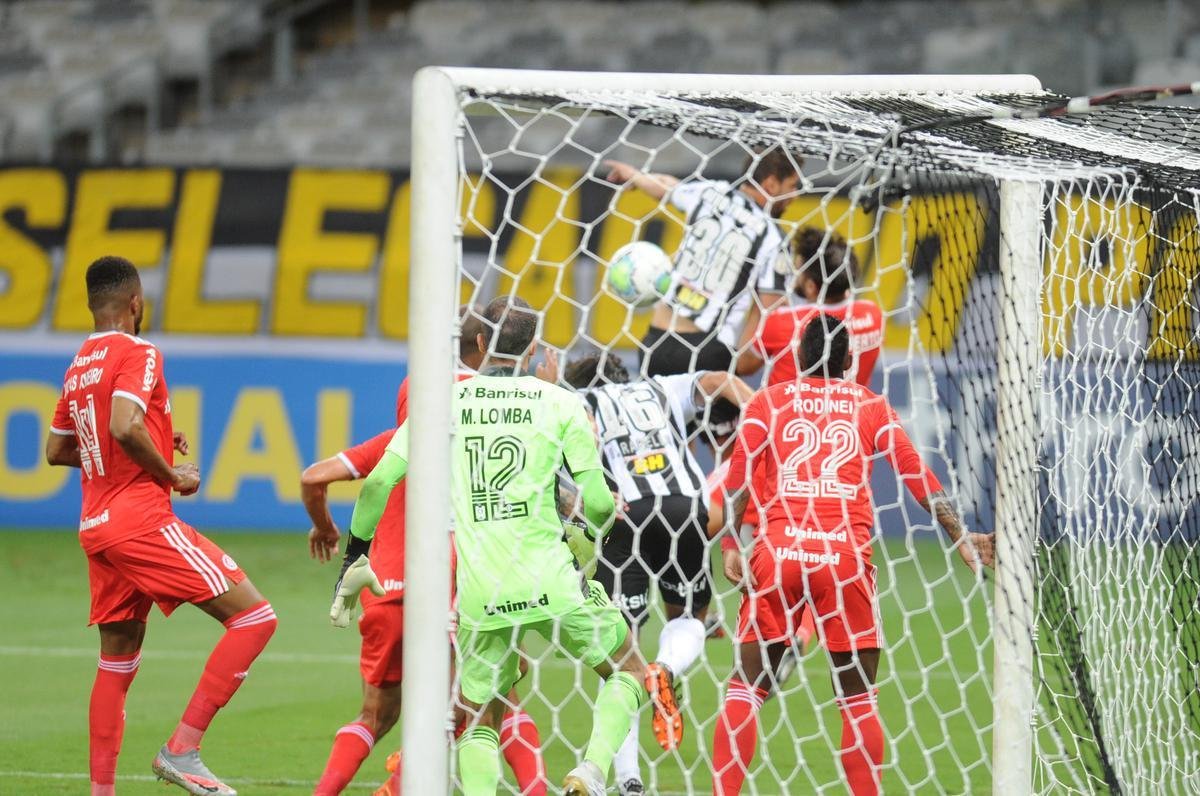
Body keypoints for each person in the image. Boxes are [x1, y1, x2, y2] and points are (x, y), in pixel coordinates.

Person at [333, 297, 676, 796]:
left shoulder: (442, 403)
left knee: (479, 719)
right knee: (628, 668)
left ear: (477, 343)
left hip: (481, 593)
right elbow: (599, 502)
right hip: (553, 579)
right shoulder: (561, 403)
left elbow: (378, 483)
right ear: (534, 348)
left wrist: (354, 554)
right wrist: (590, 538)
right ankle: (593, 769)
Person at [711, 313, 994, 795]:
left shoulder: (768, 402)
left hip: (778, 553)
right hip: (843, 562)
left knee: (746, 688)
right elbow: (916, 477)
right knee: (858, 698)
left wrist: (735, 542)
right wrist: (961, 536)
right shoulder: (870, 404)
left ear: (798, 358)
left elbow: (738, 477)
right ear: (849, 362)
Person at [44, 256, 277, 796]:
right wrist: (171, 473)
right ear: (136, 302)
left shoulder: (80, 362)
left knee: (117, 660)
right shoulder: (140, 351)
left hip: (96, 526)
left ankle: (102, 792)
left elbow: (58, 449)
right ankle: (182, 750)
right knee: (255, 618)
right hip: (139, 519)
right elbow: (123, 426)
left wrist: (150, 441)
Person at [303, 310, 548, 796]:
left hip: (387, 583)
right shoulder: (492, 409)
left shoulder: (402, 431)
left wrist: (328, 530)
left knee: (376, 714)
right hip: (463, 580)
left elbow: (314, 477)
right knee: (498, 702)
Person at [562, 354, 753, 795]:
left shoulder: (579, 402)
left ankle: (628, 782)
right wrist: (762, 409)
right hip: (683, 509)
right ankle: (665, 667)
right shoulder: (661, 387)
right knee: (689, 618)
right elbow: (722, 379)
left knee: (620, 664)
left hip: (625, 518)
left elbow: (572, 453)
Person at [604, 147, 802, 378]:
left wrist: (634, 175)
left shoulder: (710, 191)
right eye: (792, 186)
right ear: (770, 184)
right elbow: (768, 313)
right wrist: (743, 366)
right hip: (707, 351)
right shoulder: (773, 238)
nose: (795, 195)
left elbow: (668, 187)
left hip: (656, 343)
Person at [736, 227, 883, 388]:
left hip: (789, 411)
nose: (795, 277)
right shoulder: (873, 314)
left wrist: (761, 304)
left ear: (811, 286)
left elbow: (743, 366)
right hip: (848, 410)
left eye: (799, 272)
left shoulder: (783, 321)